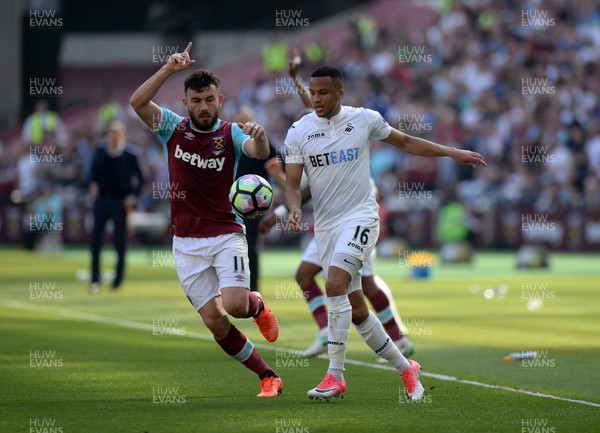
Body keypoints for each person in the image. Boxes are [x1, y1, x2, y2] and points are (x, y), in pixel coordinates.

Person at [284, 65, 486, 401]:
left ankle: (335, 375)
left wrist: (451, 151)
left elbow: (406, 141)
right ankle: (406, 367)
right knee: (359, 311)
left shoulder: (364, 119)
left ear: (340, 93)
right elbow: (292, 184)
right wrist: (292, 208)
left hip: (362, 217)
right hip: (327, 227)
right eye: (313, 93)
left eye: (323, 93)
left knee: (332, 284)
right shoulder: (299, 131)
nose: (316, 99)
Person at [129, 42, 283, 398]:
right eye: (196, 101)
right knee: (216, 323)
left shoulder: (230, 132)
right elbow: (137, 102)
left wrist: (261, 141)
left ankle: (255, 305)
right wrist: (168, 69)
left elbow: (255, 151)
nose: (203, 106)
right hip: (186, 242)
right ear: (186, 103)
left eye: (209, 99)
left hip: (227, 232)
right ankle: (268, 376)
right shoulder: (171, 127)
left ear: (220, 100)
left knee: (235, 306)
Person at [260, 158, 414, 359]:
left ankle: (399, 339)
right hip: (327, 226)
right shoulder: (310, 145)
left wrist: (277, 215)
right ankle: (325, 332)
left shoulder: (338, 146)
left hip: (353, 225)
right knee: (303, 275)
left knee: (366, 285)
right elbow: (302, 190)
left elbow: (308, 192)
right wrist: (280, 177)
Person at [89, 120, 144, 293]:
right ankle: (95, 279)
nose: (113, 135)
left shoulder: (130, 155)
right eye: (111, 132)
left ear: (122, 135)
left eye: (116, 132)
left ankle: (117, 280)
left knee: (120, 243)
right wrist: (92, 184)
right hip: (101, 202)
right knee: (96, 240)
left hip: (119, 203)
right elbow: (92, 173)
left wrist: (132, 197)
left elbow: (141, 178)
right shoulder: (100, 152)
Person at [234, 106, 279, 292]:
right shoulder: (233, 143)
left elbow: (279, 167)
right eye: (240, 121)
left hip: (255, 205)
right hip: (232, 202)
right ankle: (234, 283)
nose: (243, 125)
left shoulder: (264, 145)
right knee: (232, 244)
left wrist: (273, 193)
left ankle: (253, 287)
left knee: (251, 244)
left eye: (246, 120)